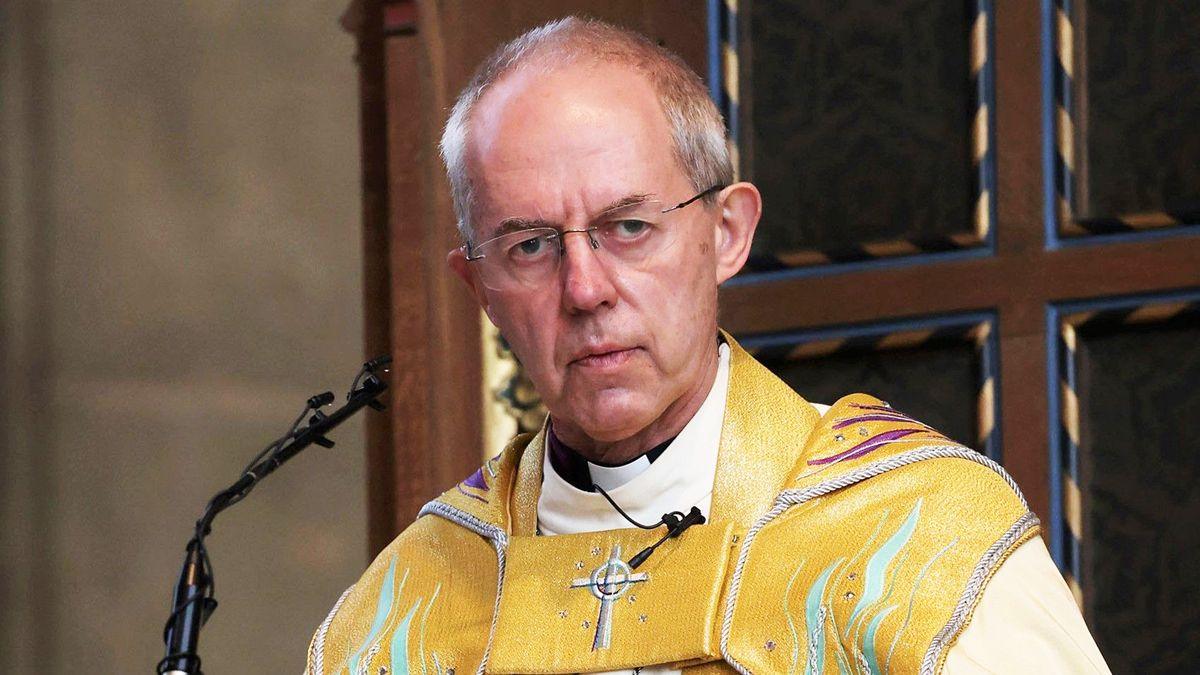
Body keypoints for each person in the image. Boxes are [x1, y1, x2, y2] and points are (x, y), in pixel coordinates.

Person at [306, 17, 1109, 674]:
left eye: (628, 227)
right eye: (529, 246)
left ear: (727, 233)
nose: (585, 289)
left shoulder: (918, 539)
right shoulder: (403, 614)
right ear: (478, 289)